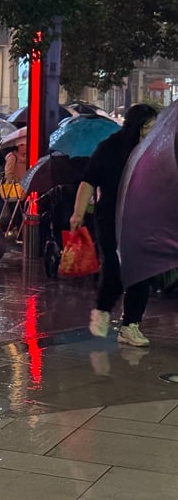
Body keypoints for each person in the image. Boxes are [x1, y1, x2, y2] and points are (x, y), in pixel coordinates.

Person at [70, 103, 158, 347]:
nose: (151, 131)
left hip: (142, 217)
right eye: (148, 127)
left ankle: (131, 325)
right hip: (111, 218)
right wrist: (78, 213)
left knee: (142, 270)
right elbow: (89, 181)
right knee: (115, 267)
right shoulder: (109, 148)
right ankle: (103, 309)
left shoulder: (152, 151)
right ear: (136, 126)